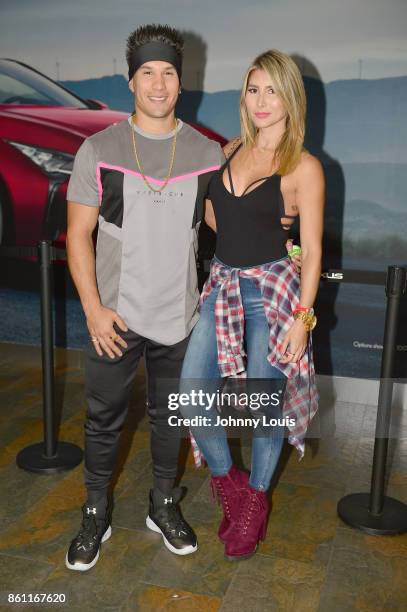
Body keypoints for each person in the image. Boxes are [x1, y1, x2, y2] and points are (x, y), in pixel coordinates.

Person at [64, 23, 229, 571]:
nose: (158, 84)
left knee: (168, 416)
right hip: (114, 315)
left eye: (168, 74)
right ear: (131, 80)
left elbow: (222, 224)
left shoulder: (207, 152)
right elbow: (77, 236)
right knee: (103, 417)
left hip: (179, 316)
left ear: (182, 82)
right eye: (148, 73)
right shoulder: (99, 149)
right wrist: (92, 309)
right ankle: (95, 510)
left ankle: (163, 504)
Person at [179, 49, 324, 561]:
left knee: (264, 410)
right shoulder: (231, 149)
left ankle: (255, 500)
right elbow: (220, 217)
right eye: (253, 89)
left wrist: (302, 321)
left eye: (272, 91)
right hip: (221, 287)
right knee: (192, 396)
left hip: (271, 296)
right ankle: (230, 484)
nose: (261, 101)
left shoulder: (302, 166)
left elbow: (313, 252)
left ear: (291, 100)